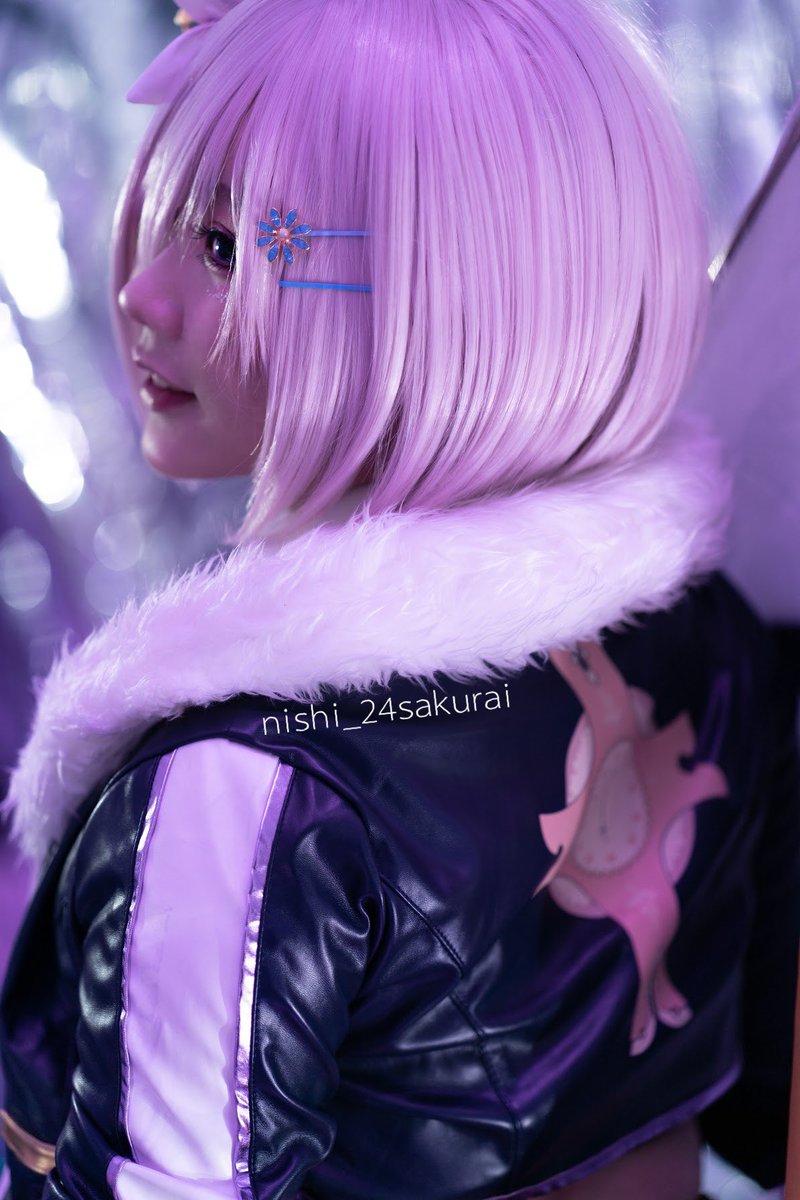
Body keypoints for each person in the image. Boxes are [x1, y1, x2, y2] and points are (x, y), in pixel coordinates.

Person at [1, 1, 797, 1198]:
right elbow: (761, 1088)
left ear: (446, 289)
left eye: (222, 246)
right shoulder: (709, 638)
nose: (141, 297)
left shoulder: (244, 793)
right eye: (161, 219)